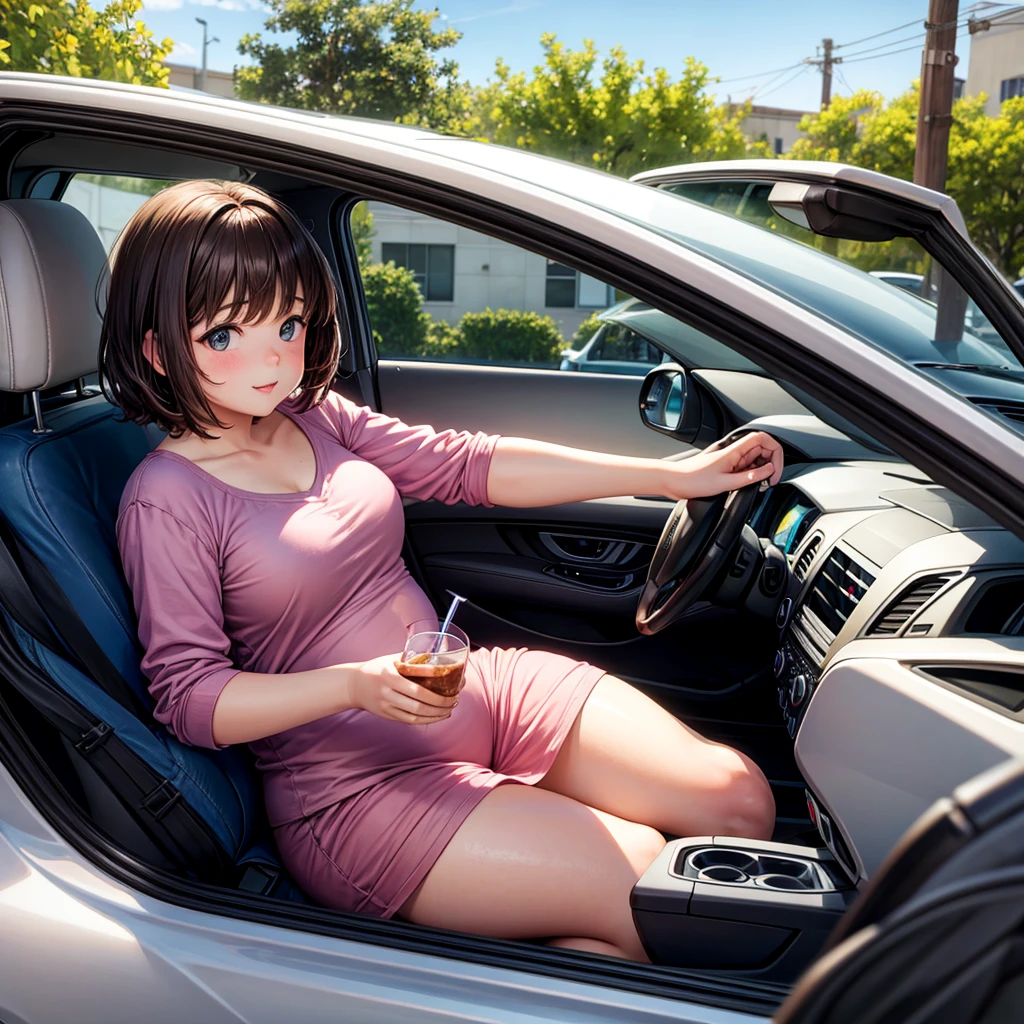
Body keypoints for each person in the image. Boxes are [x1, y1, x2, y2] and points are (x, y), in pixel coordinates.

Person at [103, 179, 783, 963]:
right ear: (158, 348)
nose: (271, 360)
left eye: (287, 323)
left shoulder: (313, 415)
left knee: (736, 801)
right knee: (655, 898)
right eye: (225, 335)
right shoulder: (166, 497)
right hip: (356, 794)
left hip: (468, 693)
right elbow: (190, 701)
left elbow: (467, 464)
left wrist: (674, 477)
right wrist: (357, 684)